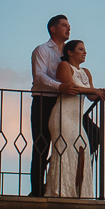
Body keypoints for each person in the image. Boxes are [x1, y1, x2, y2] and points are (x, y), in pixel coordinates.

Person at [47, 38, 105, 198]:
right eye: (80, 49)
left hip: (76, 118)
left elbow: (91, 97)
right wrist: (95, 91)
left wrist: (100, 92)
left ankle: (78, 192)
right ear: (70, 52)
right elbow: (70, 88)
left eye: (84, 49)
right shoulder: (64, 66)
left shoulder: (85, 72)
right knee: (65, 151)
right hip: (63, 115)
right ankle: (60, 191)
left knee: (83, 151)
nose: (84, 52)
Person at [29, 15, 69, 196]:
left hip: (65, 103)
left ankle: (59, 181)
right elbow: (39, 76)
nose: (68, 28)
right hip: (44, 100)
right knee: (41, 145)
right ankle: (37, 190)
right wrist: (60, 86)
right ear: (53, 29)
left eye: (69, 25)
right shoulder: (42, 50)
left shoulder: (68, 53)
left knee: (78, 139)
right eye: (63, 25)